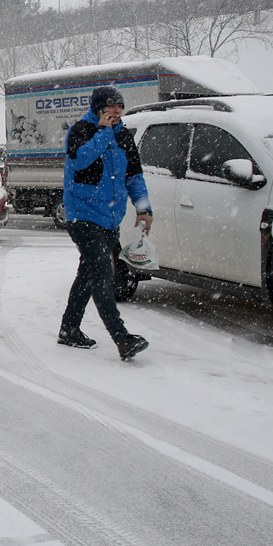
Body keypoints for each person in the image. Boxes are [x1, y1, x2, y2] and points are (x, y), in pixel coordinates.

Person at [58, 85, 153, 362]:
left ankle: (69, 329)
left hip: (110, 217)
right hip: (82, 215)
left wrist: (143, 207)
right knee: (102, 273)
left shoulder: (124, 135)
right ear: (97, 109)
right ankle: (122, 338)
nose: (116, 112)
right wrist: (103, 132)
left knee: (87, 274)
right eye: (110, 108)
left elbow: (134, 175)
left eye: (119, 108)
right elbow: (79, 161)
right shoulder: (81, 130)